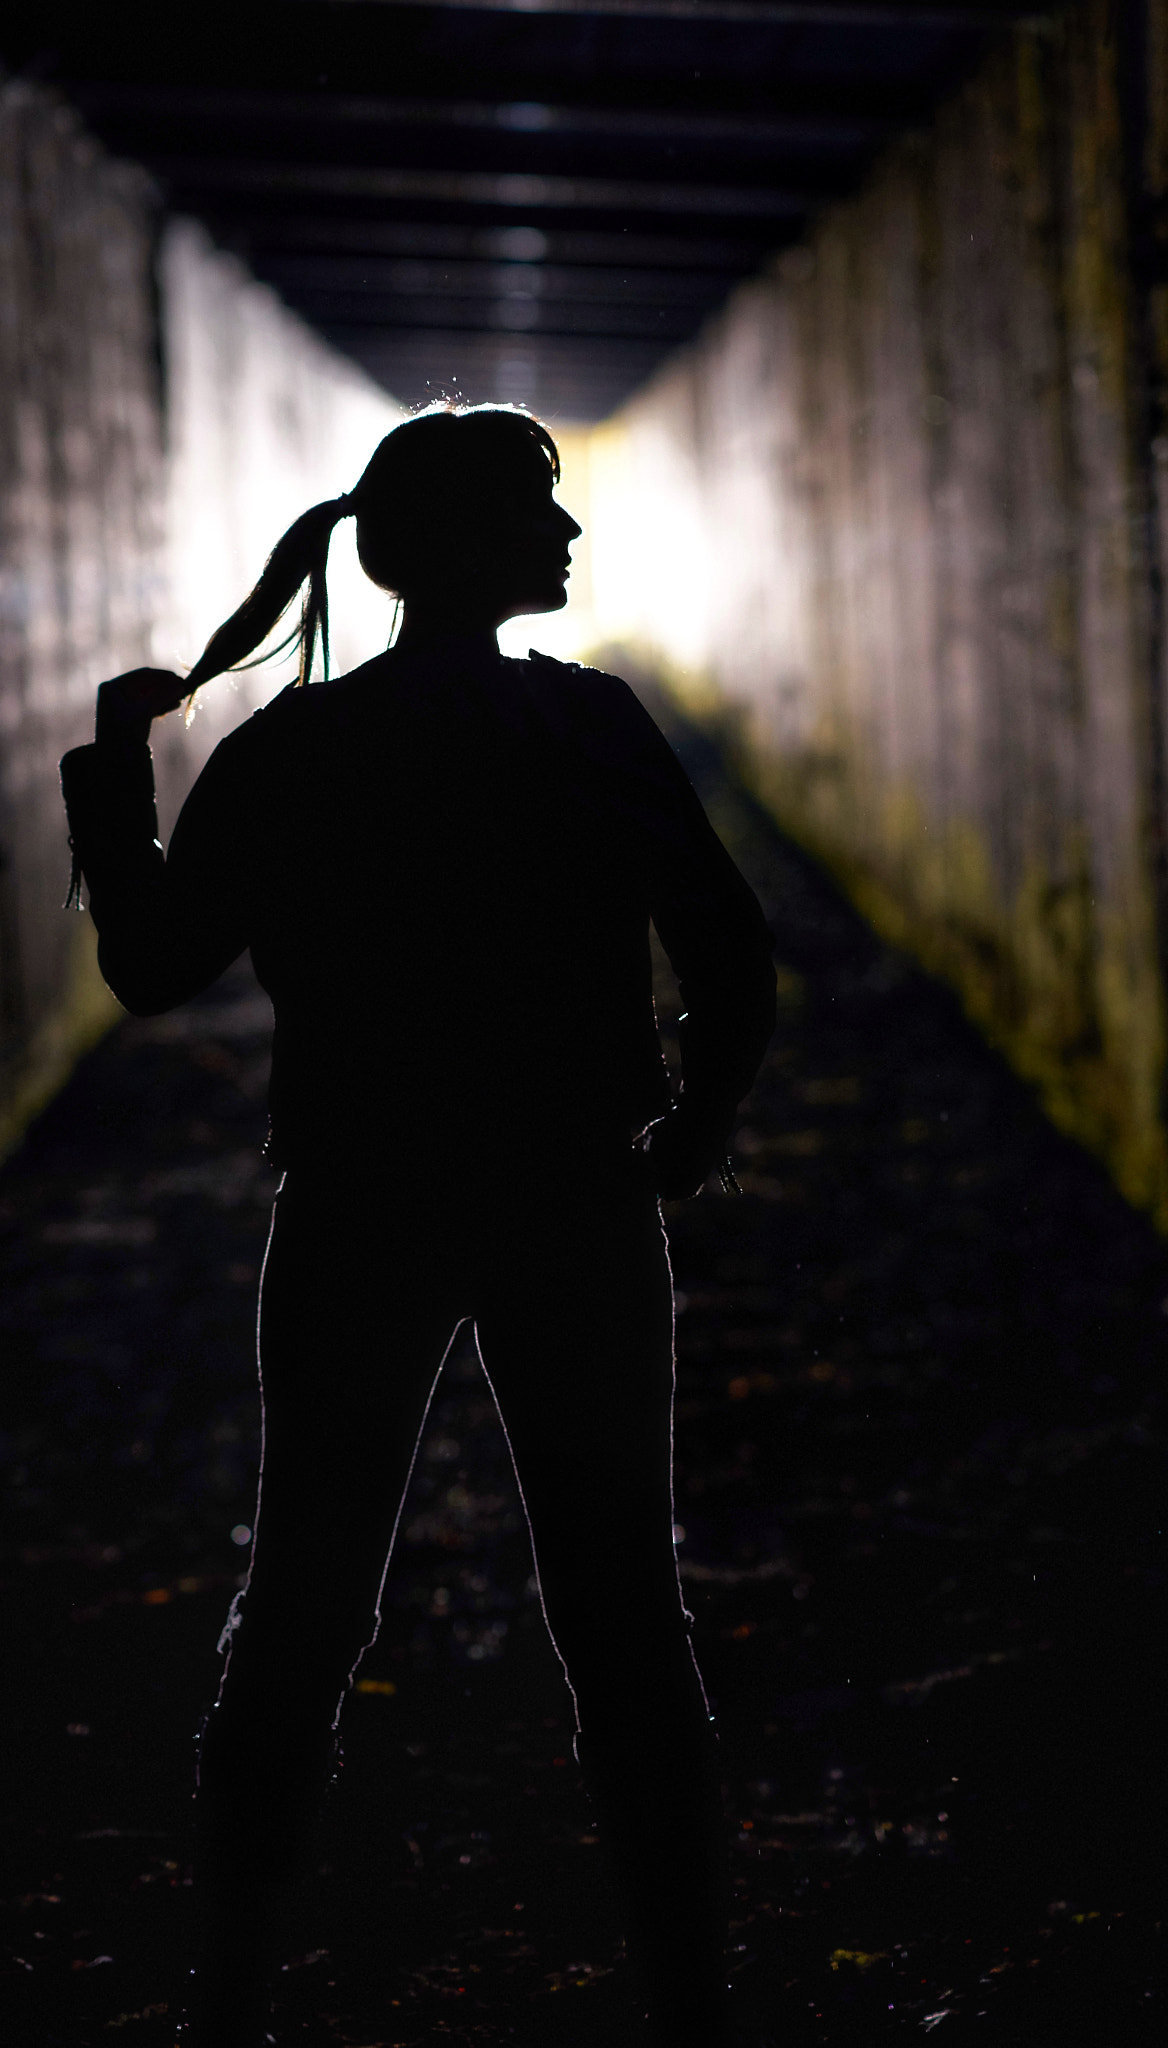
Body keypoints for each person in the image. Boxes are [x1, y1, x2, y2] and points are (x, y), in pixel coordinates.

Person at [58, 404, 776, 2048]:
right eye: (540, 509)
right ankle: (691, 2009)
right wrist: (694, 1129)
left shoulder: (296, 750)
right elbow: (728, 956)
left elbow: (154, 968)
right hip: (573, 1202)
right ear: (464, 548)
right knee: (620, 1610)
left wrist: (112, 784)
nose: (569, 537)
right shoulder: (588, 728)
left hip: (357, 1205)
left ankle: (226, 2006)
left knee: (302, 1606)